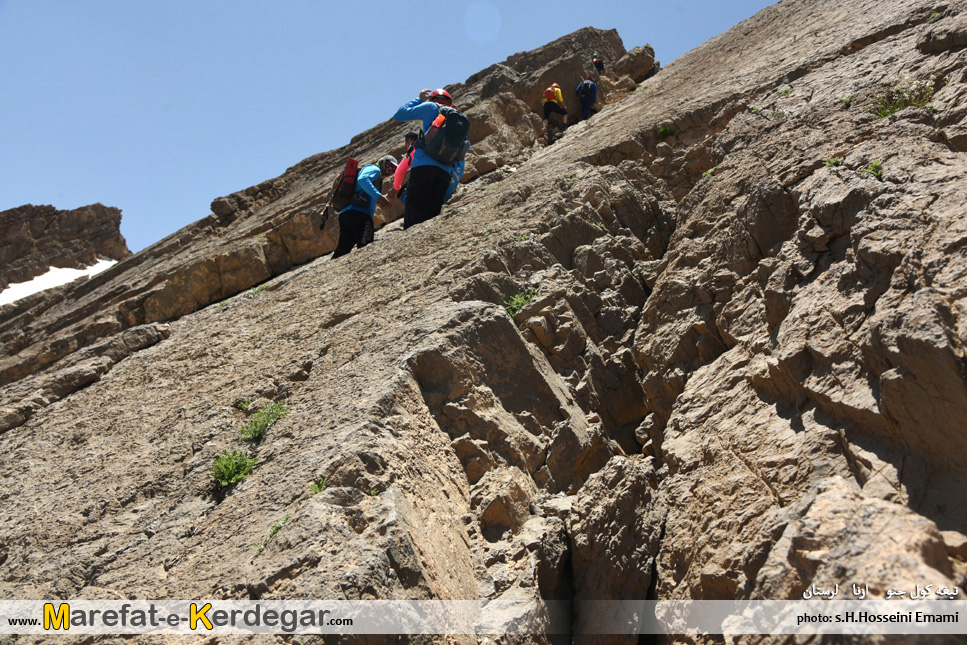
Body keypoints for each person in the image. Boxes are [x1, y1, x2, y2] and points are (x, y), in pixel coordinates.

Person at [392, 88, 470, 229]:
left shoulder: (431, 107)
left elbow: (399, 114)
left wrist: (419, 99)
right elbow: (466, 146)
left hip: (423, 167)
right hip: (444, 172)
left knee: (414, 216)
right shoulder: (458, 118)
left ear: (432, 99)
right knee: (431, 217)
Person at [331, 155, 397, 259]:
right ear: (382, 163)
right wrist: (379, 197)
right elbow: (362, 180)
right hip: (360, 215)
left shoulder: (375, 176)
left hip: (346, 214)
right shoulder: (375, 169)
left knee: (342, 250)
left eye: (393, 170)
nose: (390, 170)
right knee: (366, 247)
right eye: (389, 166)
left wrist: (381, 197)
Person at [390, 131, 419, 205]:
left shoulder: (412, 149)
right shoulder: (426, 146)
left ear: (409, 141)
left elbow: (399, 171)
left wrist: (396, 188)